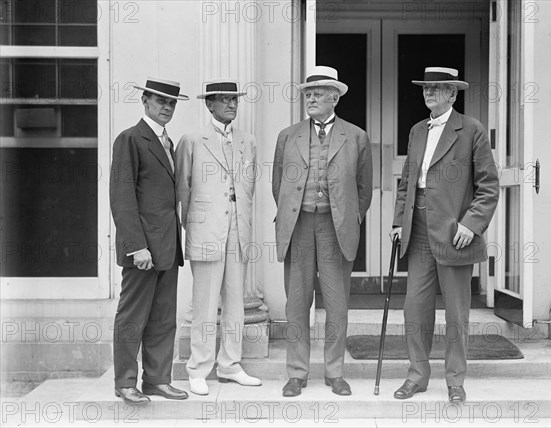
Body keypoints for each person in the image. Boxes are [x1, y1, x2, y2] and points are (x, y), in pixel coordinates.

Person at [390, 67, 499, 403]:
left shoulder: (471, 130)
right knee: (415, 308)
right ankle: (417, 376)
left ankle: (455, 380)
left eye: (437, 89)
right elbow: (407, 182)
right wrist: (398, 222)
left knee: (456, 311)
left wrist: (471, 224)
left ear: (453, 94)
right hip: (418, 228)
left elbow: (489, 186)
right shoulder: (417, 130)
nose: (429, 93)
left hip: (454, 232)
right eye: (426, 88)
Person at [272, 66, 373, 397]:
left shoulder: (356, 136)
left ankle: (335, 372)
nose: (311, 98)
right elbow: (279, 185)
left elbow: (363, 189)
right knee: (297, 303)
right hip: (299, 225)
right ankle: (297, 373)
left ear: (335, 97)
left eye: (318, 93)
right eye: (307, 94)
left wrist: (347, 218)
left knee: (337, 302)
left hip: (335, 227)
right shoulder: (288, 136)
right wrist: (294, 211)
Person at [175, 78, 261, 396]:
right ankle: (198, 367)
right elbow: (181, 188)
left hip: (237, 230)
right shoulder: (193, 140)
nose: (231, 105)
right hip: (206, 228)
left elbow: (247, 189)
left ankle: (230, 365)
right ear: (209, 104)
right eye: (224, 100)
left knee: (235, 303)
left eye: (235, 100)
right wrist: (189, 227)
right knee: (205, 304)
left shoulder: (247, 141)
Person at [110, 77, 189, 404]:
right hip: (142, 249)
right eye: (160, 102)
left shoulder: (166, 142)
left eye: (171, 103)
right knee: (132, 317)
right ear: (145, 101)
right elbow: (122, 198)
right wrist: (136, 246)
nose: (167, 108)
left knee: (162, 318)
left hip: (167, 248)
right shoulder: (130, 139)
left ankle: (157, 380)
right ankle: (125, 382)